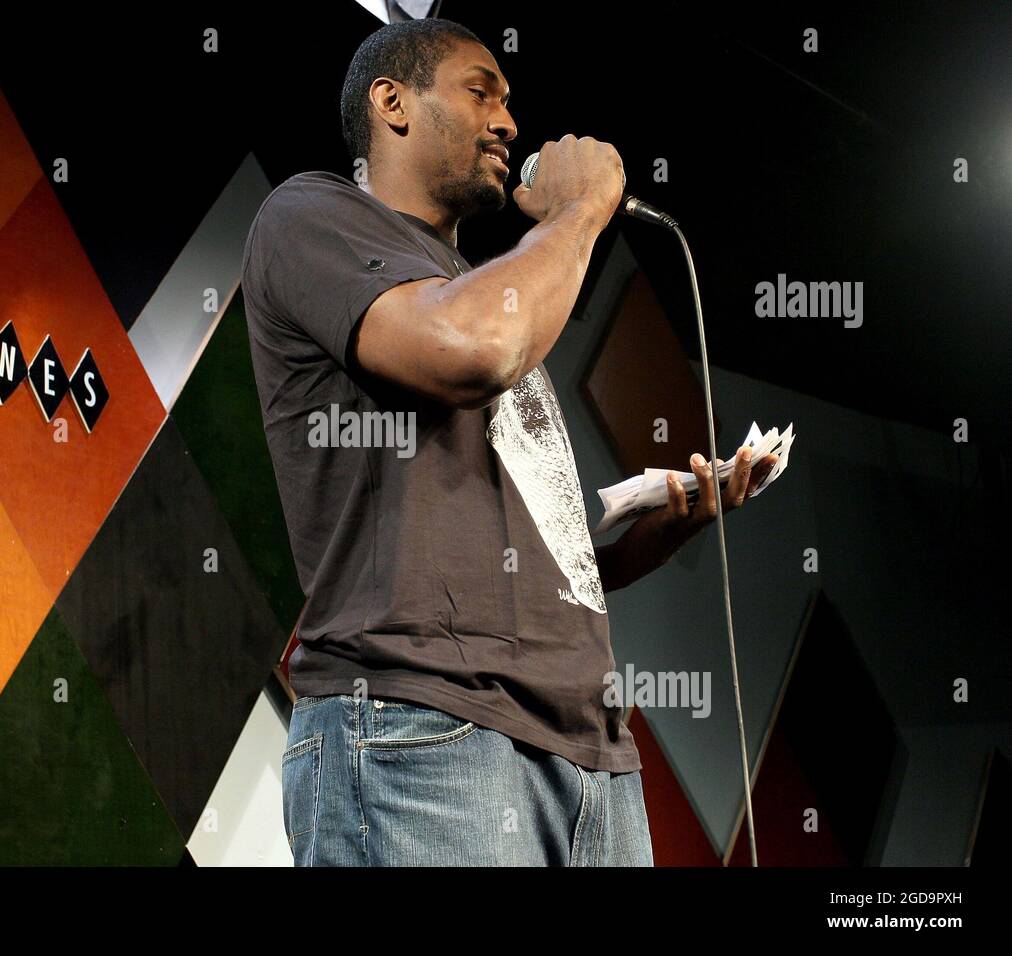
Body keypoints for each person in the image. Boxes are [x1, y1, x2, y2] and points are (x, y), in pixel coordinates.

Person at [240, 17, 776, 866]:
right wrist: (580, 208)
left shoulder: (485, 289)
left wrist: (673, 521)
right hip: (423, 732)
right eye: (480, 90)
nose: (510, 123)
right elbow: (474, 350)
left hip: (592, 761)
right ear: (393, 104)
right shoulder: (314, 216)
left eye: (510, 100)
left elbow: (546, 573)